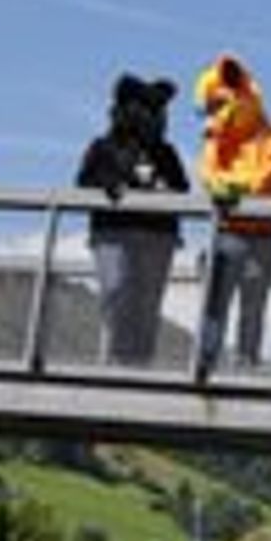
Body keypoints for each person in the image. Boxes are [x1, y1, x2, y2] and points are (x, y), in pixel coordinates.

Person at [192, 53, 271, 374]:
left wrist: (233, 189)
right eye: (207, 110)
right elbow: (207, 174)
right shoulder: (217, 140)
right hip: (227, 231)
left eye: (217, 106)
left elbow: (266, 176)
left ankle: (246, 364)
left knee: (253, 305)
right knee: (214, 302)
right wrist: (223, 187)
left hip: (264, 235)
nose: (211, 117)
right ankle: (205, 362)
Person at [76, 74, 188, 366]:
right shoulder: (103, 147)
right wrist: (109, 182)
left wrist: (166, 189)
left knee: (148, 301)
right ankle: (120, 356)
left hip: (156, 235)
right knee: (115, 290)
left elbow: (182, 188)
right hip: (113, 233)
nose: (159, 118)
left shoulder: (166, 153)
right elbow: (85, 180)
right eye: (152, 111)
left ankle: (141, 361)